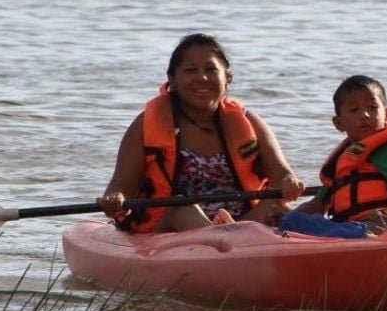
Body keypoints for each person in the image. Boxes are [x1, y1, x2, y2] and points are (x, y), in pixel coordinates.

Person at [98, 33, 304, 233]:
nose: (202, 78)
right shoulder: (146, 124)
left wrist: (288, 182)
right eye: (190, 70)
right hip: (170, 227)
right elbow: (121, 185)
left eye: (211, 69)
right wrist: (115, 198)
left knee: (274, 205)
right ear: (173, 80)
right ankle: (225, 242)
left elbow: (282, 175)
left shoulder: (249, 121)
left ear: (227, 78)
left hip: (242, 224)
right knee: (182, 208)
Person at [293, 74, 387, 232]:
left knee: (337, 230)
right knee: (293, 220)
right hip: (350, 226)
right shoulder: (341, 162)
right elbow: (316, 205)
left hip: (385, 223)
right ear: (339, 123)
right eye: (354, 110)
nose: (364, 115)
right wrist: (286, 218)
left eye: (372, 107)